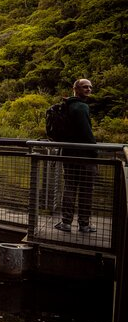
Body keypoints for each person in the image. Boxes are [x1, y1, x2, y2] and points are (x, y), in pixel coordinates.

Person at [54, 78, 98, 234]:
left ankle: (66, 222)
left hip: (69, 153)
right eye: (85, 87)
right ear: (76, 89)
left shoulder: (67, 105)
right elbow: (87, 134)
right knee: (86, 190)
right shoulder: (81, 107)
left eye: (90, 87)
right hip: (84, 156)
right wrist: (95, 152)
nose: (89, 89)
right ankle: (84, 224)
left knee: (70, 188)